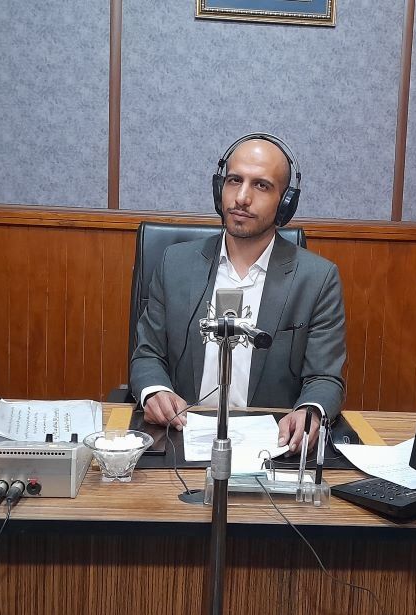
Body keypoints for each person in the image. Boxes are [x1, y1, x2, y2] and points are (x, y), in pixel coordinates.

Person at [130, 133, 346, 452]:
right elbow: (147, 353)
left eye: (261, 185)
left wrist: (310, 410)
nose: (242, 197)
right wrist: (154, 390)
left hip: (273, 446)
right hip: (180, 437)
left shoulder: (317, 279)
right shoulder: (174, 265)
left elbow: (325, 378)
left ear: (286, 203)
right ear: (219, 188)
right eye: (234, 180)